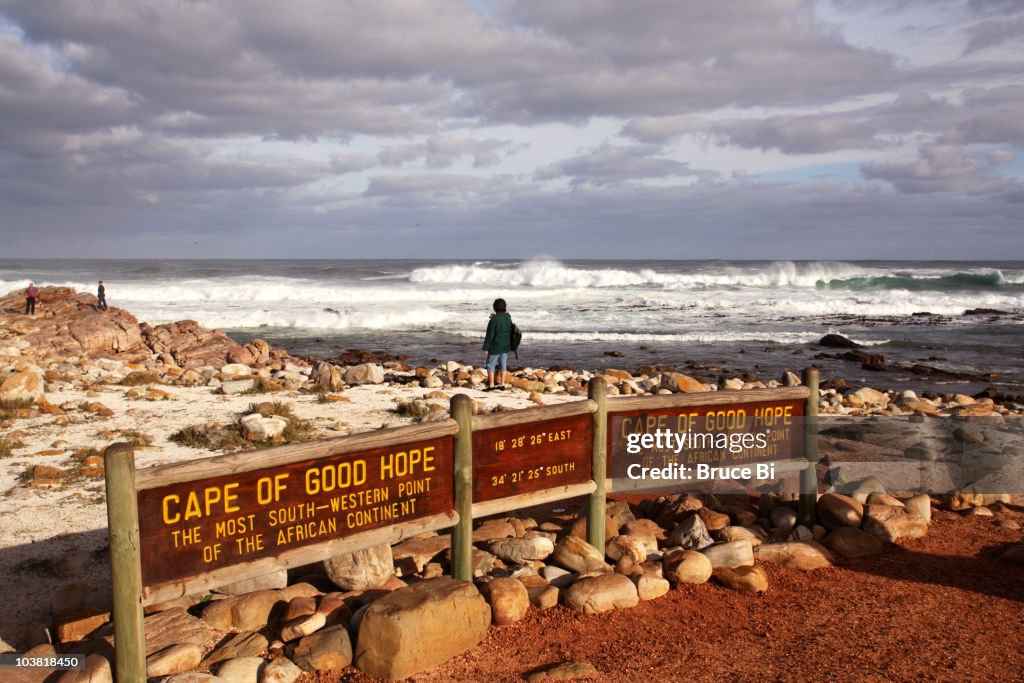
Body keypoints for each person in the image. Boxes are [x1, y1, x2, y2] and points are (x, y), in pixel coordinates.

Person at [482, 298, 513, 389]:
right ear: (505, 307)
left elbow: (489, 335)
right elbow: (510, 331)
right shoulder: (508, 318)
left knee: (490, 365)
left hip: (495, 347)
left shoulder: (494, 320)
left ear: (494, 308)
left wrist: (486, 347)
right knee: (503, 364)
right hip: (506, 346)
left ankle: (491, 384)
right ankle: (502, 383)